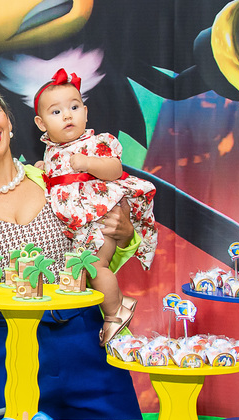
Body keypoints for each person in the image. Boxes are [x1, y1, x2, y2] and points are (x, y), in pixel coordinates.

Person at [0, 79, 143, 420]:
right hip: (6, 352)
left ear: (9, 120)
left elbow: (101, 252)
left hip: (85, 339)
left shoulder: (54, 178)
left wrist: (124, 234)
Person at [32, 68, 158, 345]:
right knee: (84, 271)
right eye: (56, 112)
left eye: (74, 107)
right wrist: (44, 169)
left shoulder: (95, 143)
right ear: (41, 124)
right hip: (81, 226)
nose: (67, 116)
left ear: (86, 112)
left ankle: (115, 313)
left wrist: (89, 163)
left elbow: (115, 170)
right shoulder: (52, 151)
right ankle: (118, 304)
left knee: (96, 267)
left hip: (101, 217)